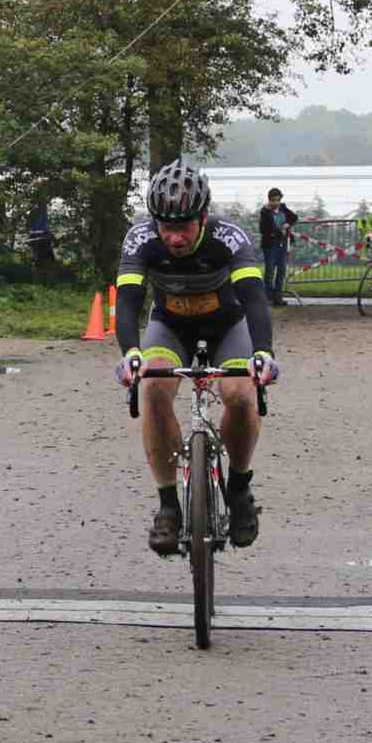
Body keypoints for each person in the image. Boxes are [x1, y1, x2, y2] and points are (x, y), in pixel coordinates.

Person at [113, 159, 277, 556]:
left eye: (184, 226)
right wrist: (130, 353)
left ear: (203, 218)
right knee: (152, 389)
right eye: (165, 227)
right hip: (170, 327)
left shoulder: (229, 238)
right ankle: (168, 507)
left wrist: (263, 353)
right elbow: (129, 303)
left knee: (241, 395)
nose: (174, 237)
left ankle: (238, 490)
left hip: (227, 325)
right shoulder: (139, 239)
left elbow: (255, 300)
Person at [256, 188, 299, 301]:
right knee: (270, 271)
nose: (276, 203)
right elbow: (263, 229)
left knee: (281, 270)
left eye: (278, 200)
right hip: (270, 245)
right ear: (269, 200)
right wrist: (278, 231)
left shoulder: (283, 209)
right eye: (273, 200)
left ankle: (278, 296)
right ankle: (268, 296)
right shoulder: (265, 212)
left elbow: (294, 218)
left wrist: (287, 224)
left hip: (283, 243)